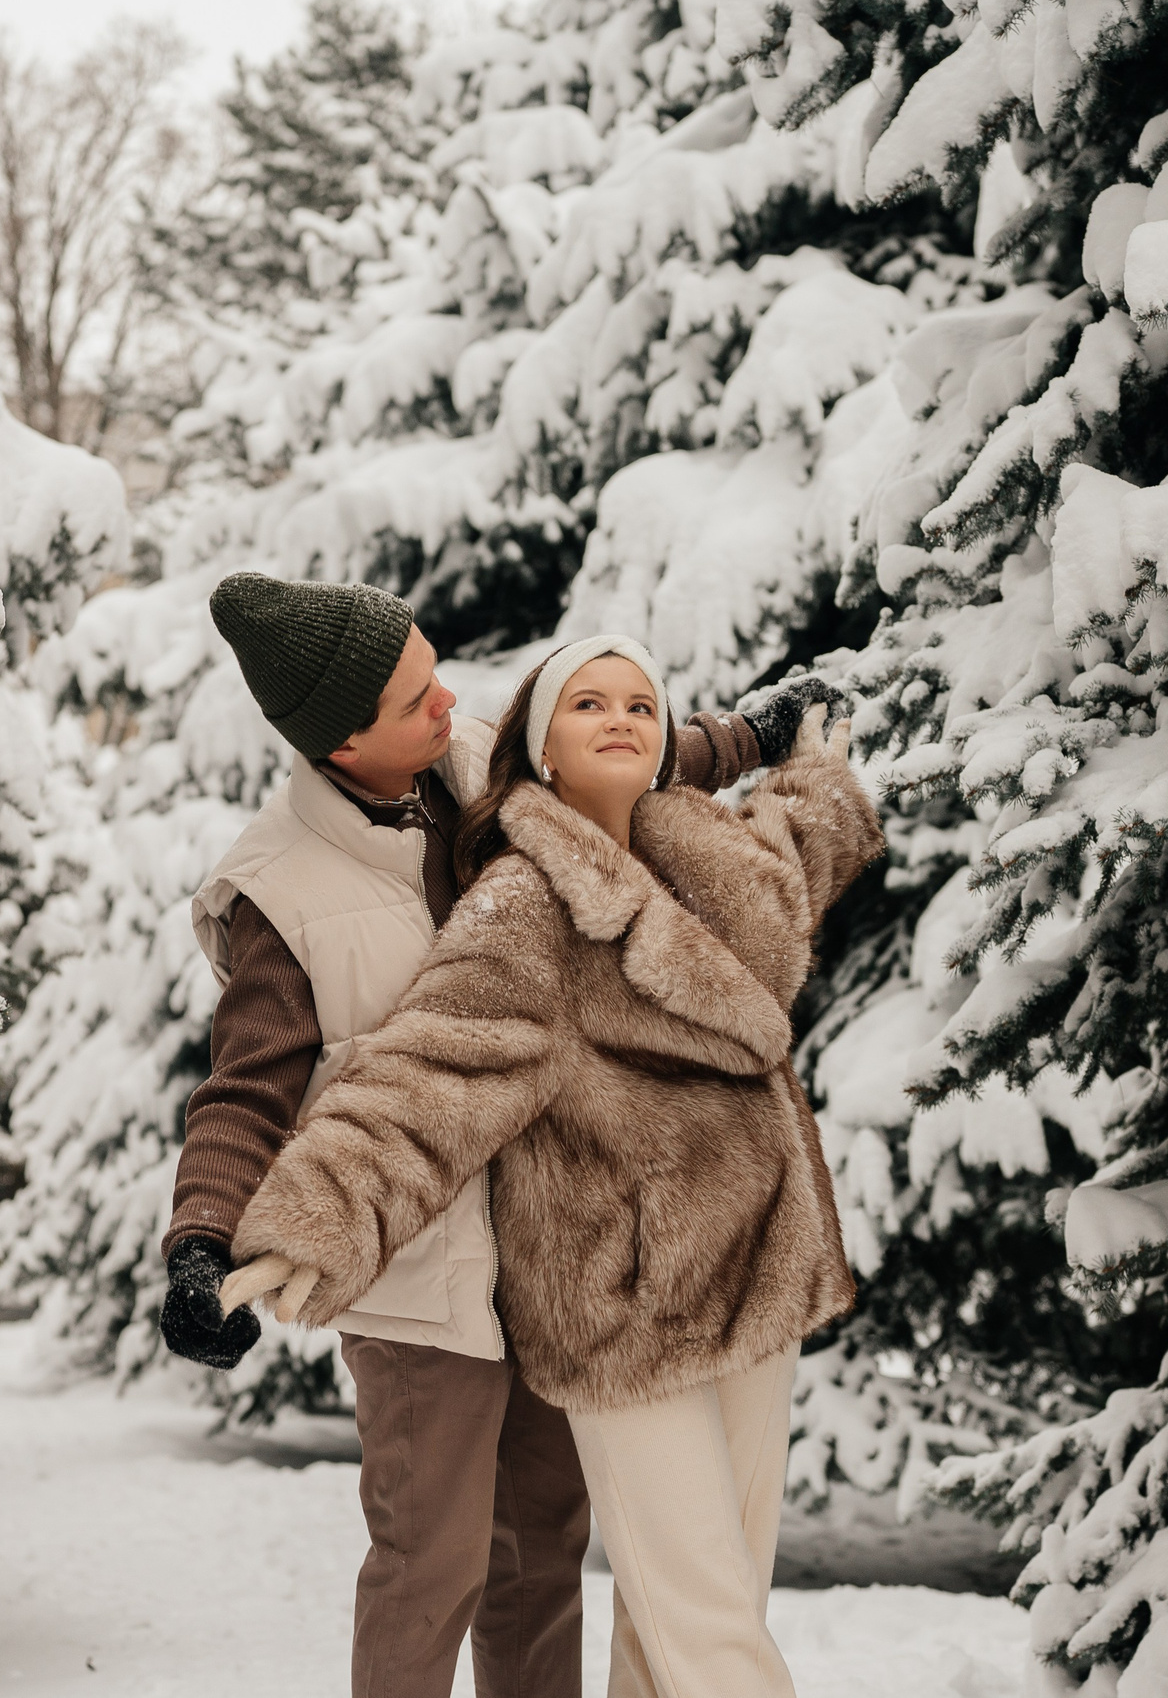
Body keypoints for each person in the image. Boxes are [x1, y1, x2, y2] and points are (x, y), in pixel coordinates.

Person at [157, 576, 834, 1698]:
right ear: (341, 740)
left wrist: (754, 734)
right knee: (432, 1564)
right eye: (417, 695)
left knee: (539, 1554)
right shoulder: (277, 887)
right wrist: (203, 1237)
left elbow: (621, 756)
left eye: (435, 673)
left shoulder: (467, 759)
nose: (448, 701)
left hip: (543, 1246)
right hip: (418, 1276)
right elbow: (246, 1089)